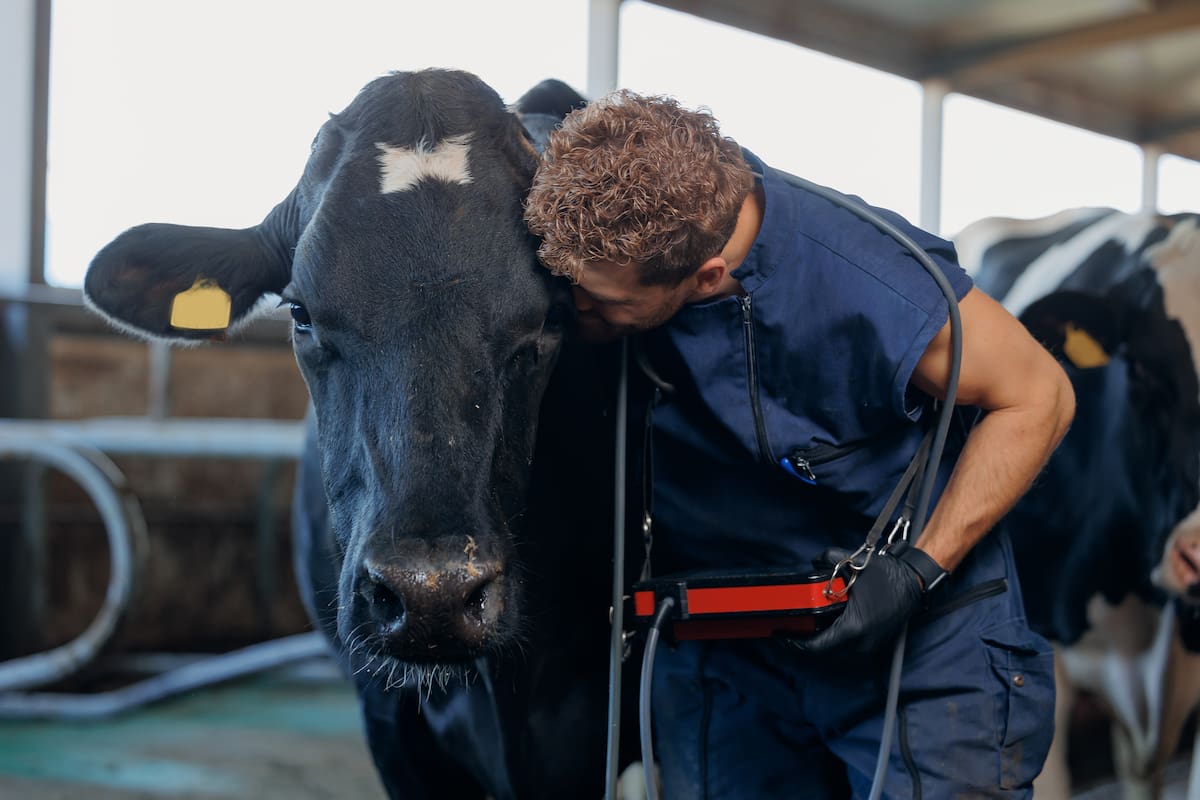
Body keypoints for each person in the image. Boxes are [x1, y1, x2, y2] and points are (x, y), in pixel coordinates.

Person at [524, 90, 1076, 798]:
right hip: (721, 645)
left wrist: (914, 572)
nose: (576, 313)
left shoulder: (869, 280)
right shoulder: (612, 251)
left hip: (917, 647)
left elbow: (1040, 395)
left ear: (706, 278)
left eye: (602, 301)